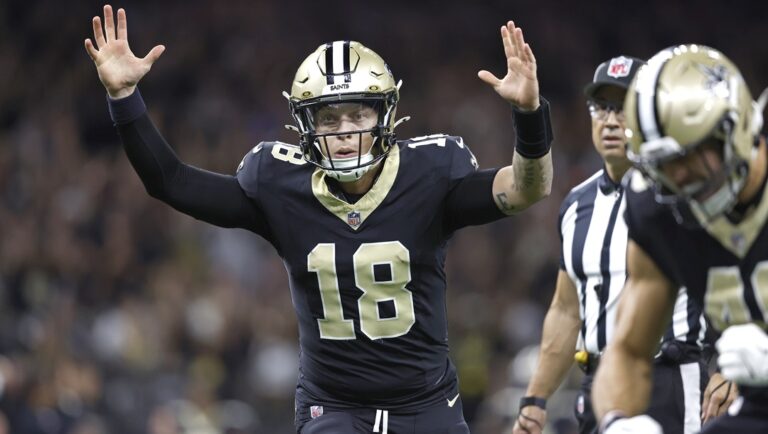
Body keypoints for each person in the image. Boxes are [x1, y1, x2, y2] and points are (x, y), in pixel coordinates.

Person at [84, 5, 554, 433]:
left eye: (357, 115)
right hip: (333, 407)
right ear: (305, 126)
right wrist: (125, 99)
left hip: (427, 404)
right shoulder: (280, 185)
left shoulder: (429, 175)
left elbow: (527, 187)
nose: (345, 132)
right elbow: (171, 182)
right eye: (329, 120)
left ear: (385, 115)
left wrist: (530, 115)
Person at [512, 56, 734, 434]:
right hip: (596, 382)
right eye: (603, 107)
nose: (611, 120)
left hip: (668, 377)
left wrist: (731, 366)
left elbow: (735, 278)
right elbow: (567, 310)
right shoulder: (576, 205)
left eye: (624, 107)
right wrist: (535, 400)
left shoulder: (683, 193)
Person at [592, 44, 768, 433]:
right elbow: (628, 350)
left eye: (690, 157)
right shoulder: (658, 210)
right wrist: (618, 420)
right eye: (665, 167)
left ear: (734, 129)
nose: (681, 178)